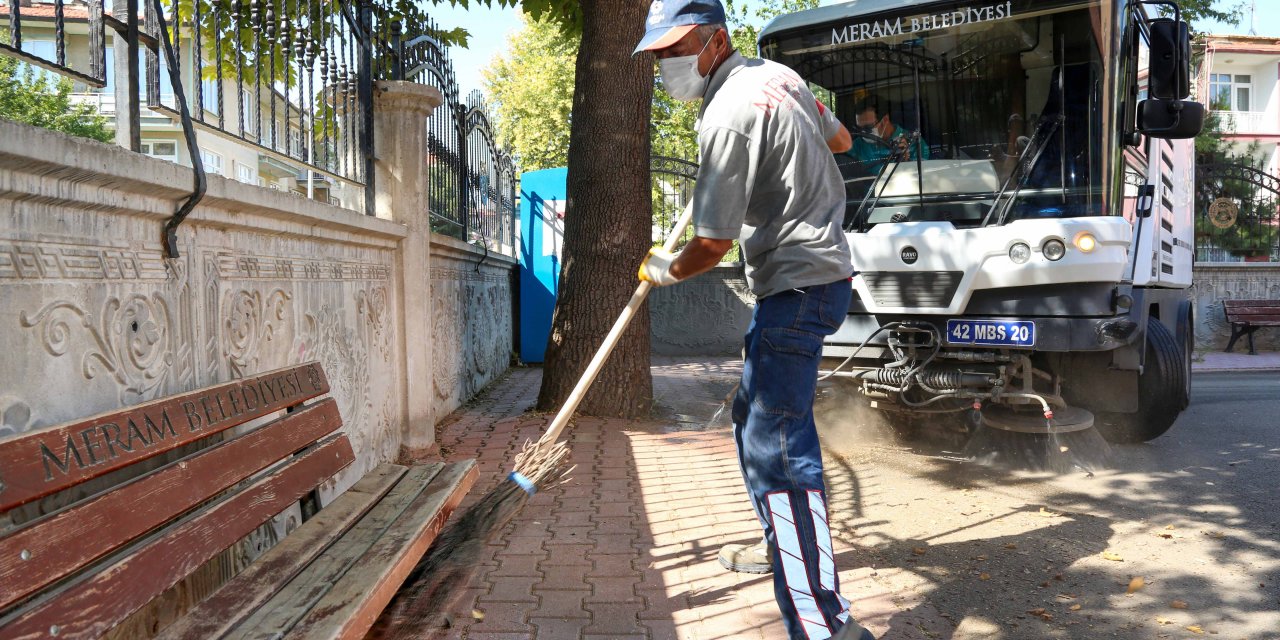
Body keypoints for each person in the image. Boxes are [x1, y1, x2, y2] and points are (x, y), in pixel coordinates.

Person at [633, 1, 874, 639]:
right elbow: (841, 139)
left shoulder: (728, 114)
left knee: (780, 451)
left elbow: (710, 245)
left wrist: (665, 270)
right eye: (658, 55)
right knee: (753, 420)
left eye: (674, 50)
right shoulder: (781, 78)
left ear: (716, 40)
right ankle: (787, 548)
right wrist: (777, 183)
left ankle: (824, 623)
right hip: (822, 279)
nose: (666, 65)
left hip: (794, 285)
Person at [846, 94, 929, 173]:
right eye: (859, 128)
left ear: (885, 120)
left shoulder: (914, 143)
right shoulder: (856, 146)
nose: (863, 132)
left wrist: (906, 161)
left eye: (868, 127)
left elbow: (924, 174)